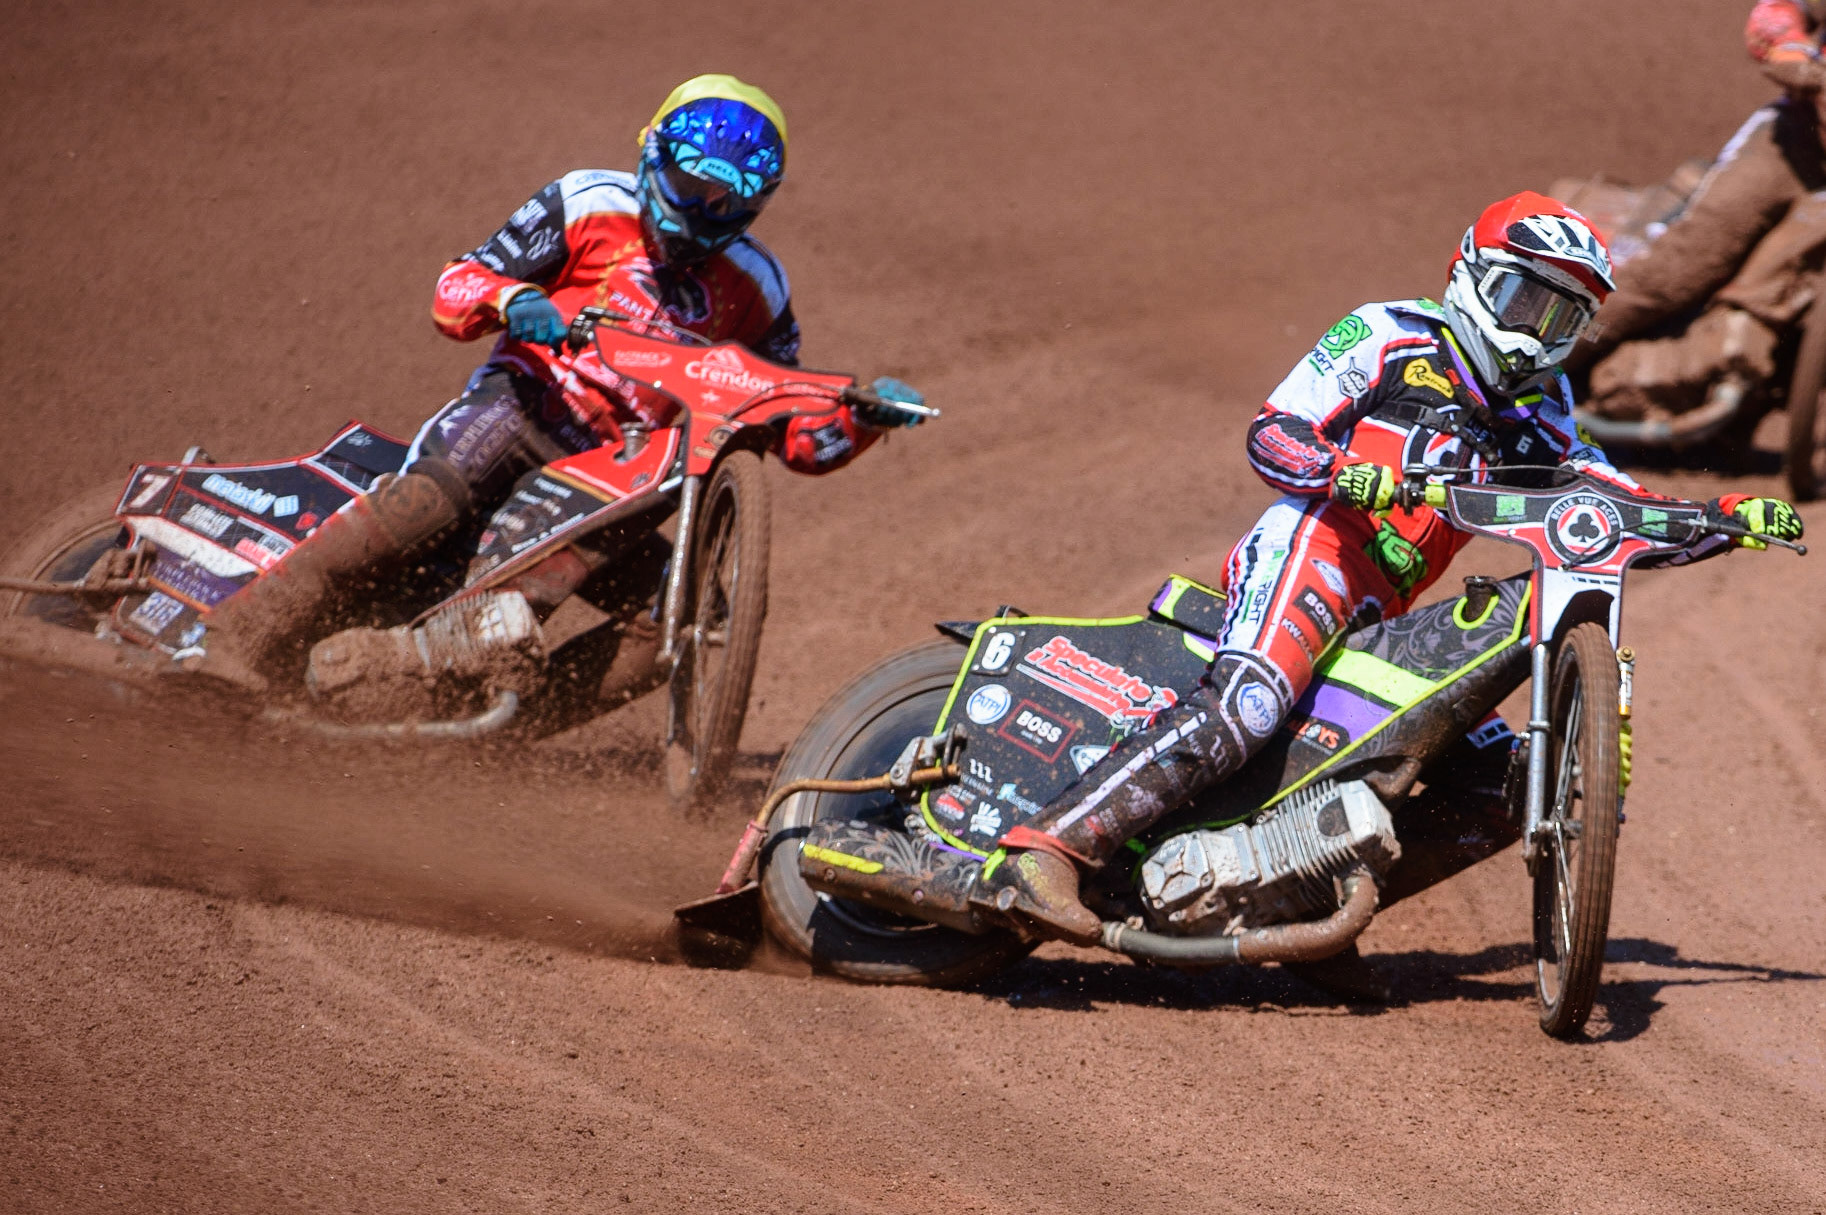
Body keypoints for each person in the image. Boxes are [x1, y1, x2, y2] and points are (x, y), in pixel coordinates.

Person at [974, 192, 1806, 947]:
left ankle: (1303, 913)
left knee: (1502, 783)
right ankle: (1045, 849)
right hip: (1315, 548)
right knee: (1250, 699)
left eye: (1564, 318)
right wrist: (1343, 473)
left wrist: (1723, 519)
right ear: (1471, 276)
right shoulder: (1388, 335)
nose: (1538, 332)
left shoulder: (1540, 413)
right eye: (1526, 301)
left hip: (1384, 612)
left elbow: (1606, 503)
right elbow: (1273, 431)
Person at [184, 74, 924, 694]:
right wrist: (513, 300)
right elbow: (456, 285)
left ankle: (504, 738)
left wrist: (862, 420)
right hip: (522, 406)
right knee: (428, 501)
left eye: (727, 204)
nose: (702, 214)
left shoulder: (760, 288)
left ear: (758, 205)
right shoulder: (586, 203)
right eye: (689, 186)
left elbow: (788, 429)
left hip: (619, 475)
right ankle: (229, 639)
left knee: (693, 616)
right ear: (651, 152)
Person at [1570, 1, 1826, 408]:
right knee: (1679, 268)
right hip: (1796, 146)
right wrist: (1793, 50)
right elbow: (1778, 13)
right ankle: (1544, 366)